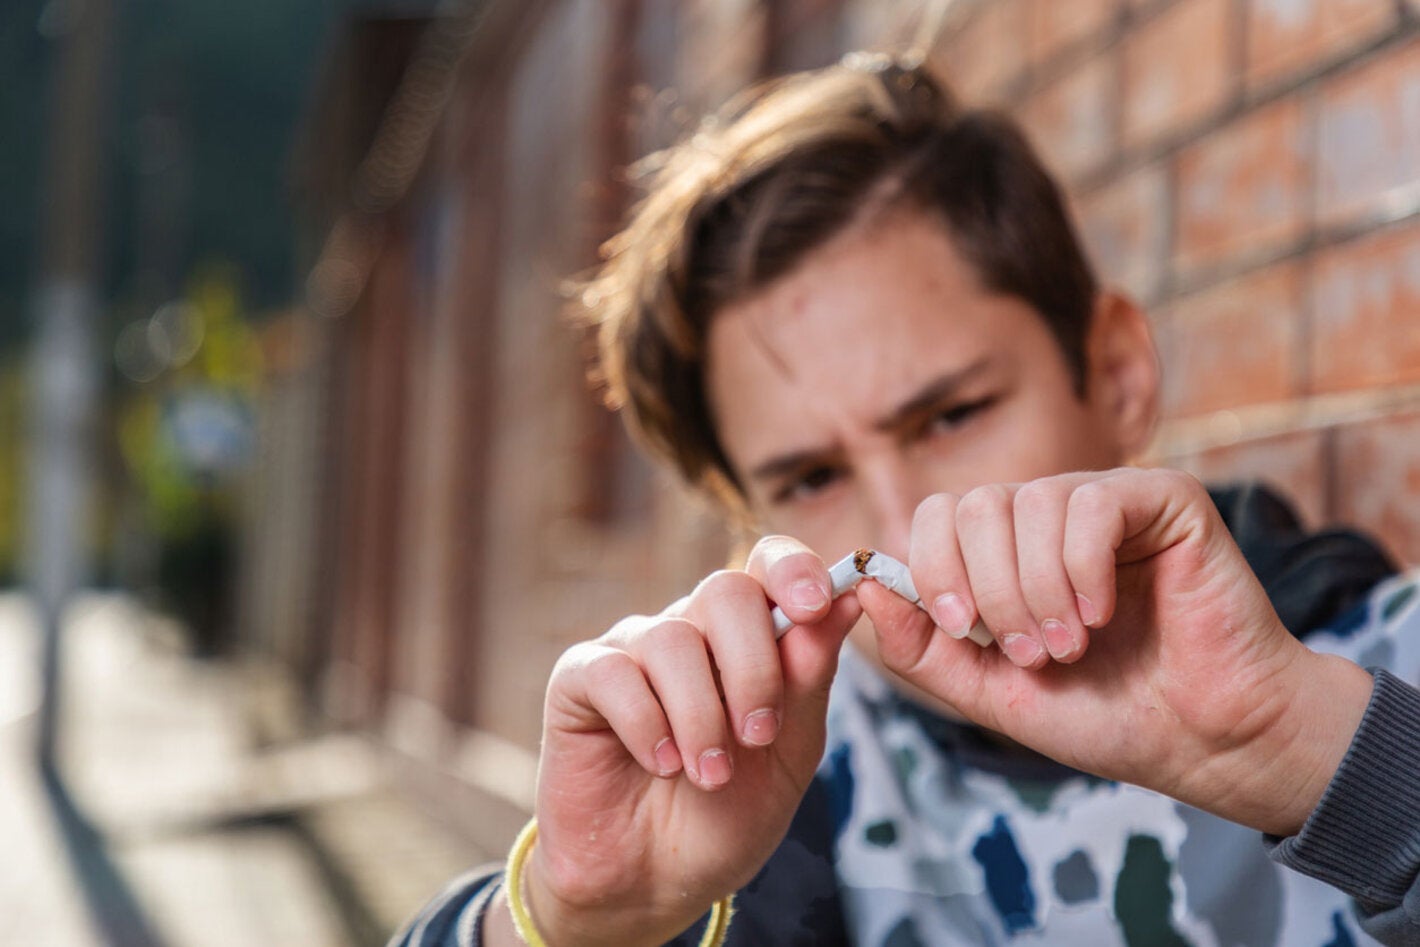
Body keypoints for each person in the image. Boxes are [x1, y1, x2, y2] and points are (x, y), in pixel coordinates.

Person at [392, 56, 1420, 946]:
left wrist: (1313, 755)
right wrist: (580, 916)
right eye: (810, 478)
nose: (902, 526)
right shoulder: (770, 792)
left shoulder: (1389, 669)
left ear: (1113, 375)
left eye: (950, 415)